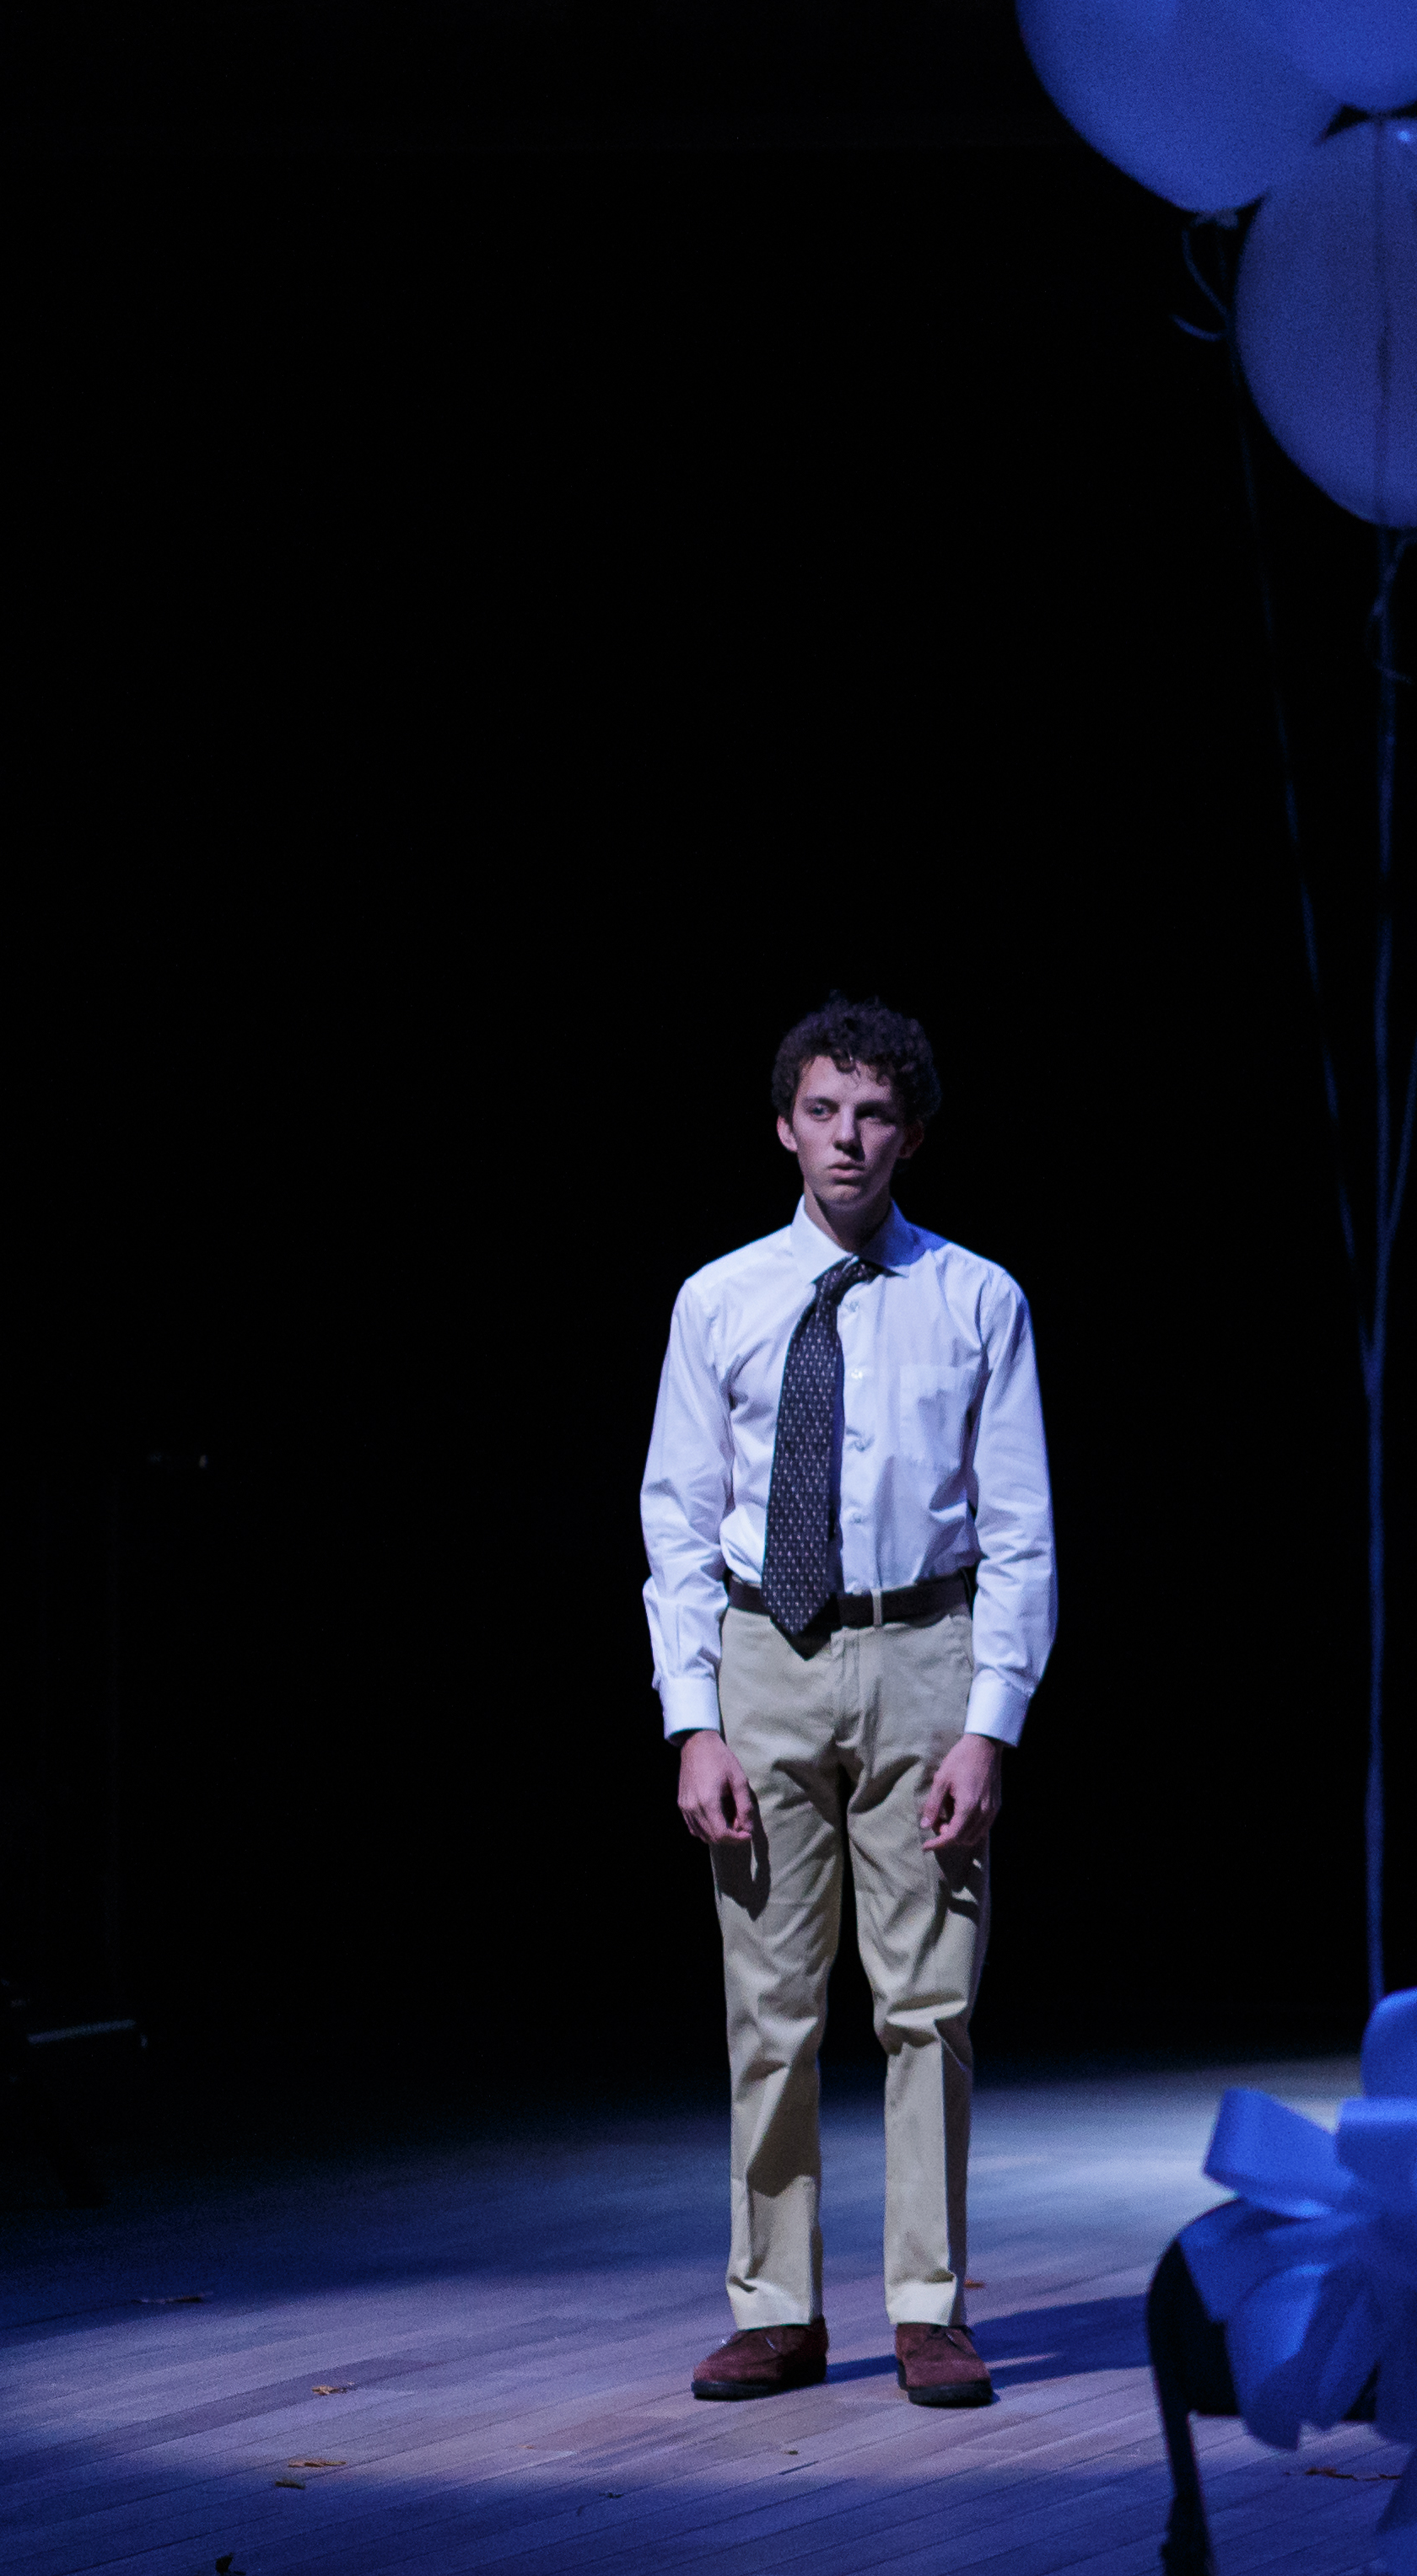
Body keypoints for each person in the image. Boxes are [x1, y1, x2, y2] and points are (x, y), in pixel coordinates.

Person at [638, 997, 1056, 2411]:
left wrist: (989, 1721)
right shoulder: (722, 1298)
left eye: (873, 1112)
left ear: (911, 1133)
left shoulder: (975, 1297)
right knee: (768, 2001)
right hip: (765, 1655)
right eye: (823, 1109)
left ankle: (927, 2302)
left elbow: (1020, 1527)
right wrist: (690, 1715)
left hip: (922, 1653)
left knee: (926, 1999)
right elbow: (678, 1521)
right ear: (783, 1124)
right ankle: (774, 2306)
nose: (847, 1137)